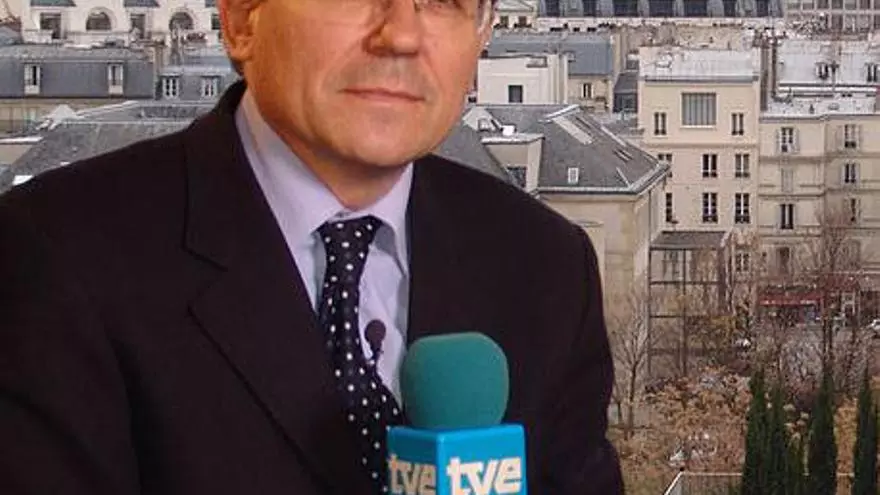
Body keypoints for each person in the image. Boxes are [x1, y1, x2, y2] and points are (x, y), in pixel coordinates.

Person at [0, 0, 623, 492]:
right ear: (242, 19)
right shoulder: (57, 255)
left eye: (443, 0)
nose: (401, 35)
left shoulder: (544, 265)